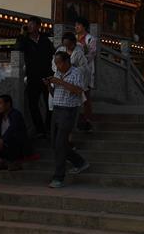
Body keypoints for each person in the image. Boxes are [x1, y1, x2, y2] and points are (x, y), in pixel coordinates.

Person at [47, 51, 89, 188]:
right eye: (56, 63)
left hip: (68, 111)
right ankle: (79, 162)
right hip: (57, 109)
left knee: (60, 144)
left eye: (59, 62)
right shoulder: (57, 73)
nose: (57, 66)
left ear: (66, 62)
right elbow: (56, 92)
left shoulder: (76, 73)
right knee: (55, 143)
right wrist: (49, 85)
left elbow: (78, 91)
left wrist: (61, 82)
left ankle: (59, 177)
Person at [15, 16, 55, 139]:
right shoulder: (25, 40)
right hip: (32, 77)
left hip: (47, 76)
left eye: (32, 24)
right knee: (33, 105)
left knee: (50, 103)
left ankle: (49, 127)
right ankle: (40, 130)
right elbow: (18, 48)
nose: (30, 26)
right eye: (29, 24)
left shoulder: (44, 39)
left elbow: (52, 54)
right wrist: (22, 34)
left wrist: (51, 74)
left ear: (38, 26)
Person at [0, 94, 27, 170]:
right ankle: (0, 161)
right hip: (4, 145)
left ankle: (13, 162)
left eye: (0, 103)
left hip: (16, 145)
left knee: (11, 139)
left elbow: (13, 128)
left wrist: (3, 139)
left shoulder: (15, 114)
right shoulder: (0, 117)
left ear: (8, 104)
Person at [75, 17, 97, 130]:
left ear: (84, 26)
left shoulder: (90, 39)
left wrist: (80, 58)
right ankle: (77, 120)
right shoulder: (74, 39)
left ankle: (88, 120)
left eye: (78, 25)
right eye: (76, 25)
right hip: (74, 72)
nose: (76, 27)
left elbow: (92, 54)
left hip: (86, 71)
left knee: (86, 97)